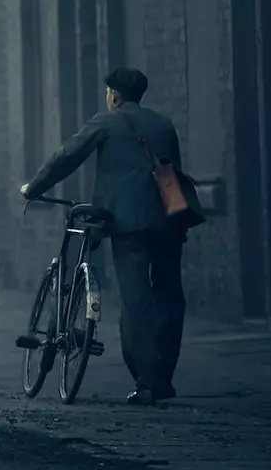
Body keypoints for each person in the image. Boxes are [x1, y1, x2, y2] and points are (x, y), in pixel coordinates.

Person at [20, 67, 198, 405]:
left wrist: (34, 188)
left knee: (136, 301)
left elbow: (66, 157)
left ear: (113, 94)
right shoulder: (163, 125)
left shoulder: (106, 122)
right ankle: (163, 377)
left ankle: (145, 381)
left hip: (127, 225)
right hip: (168, 220)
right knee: (170, 295)